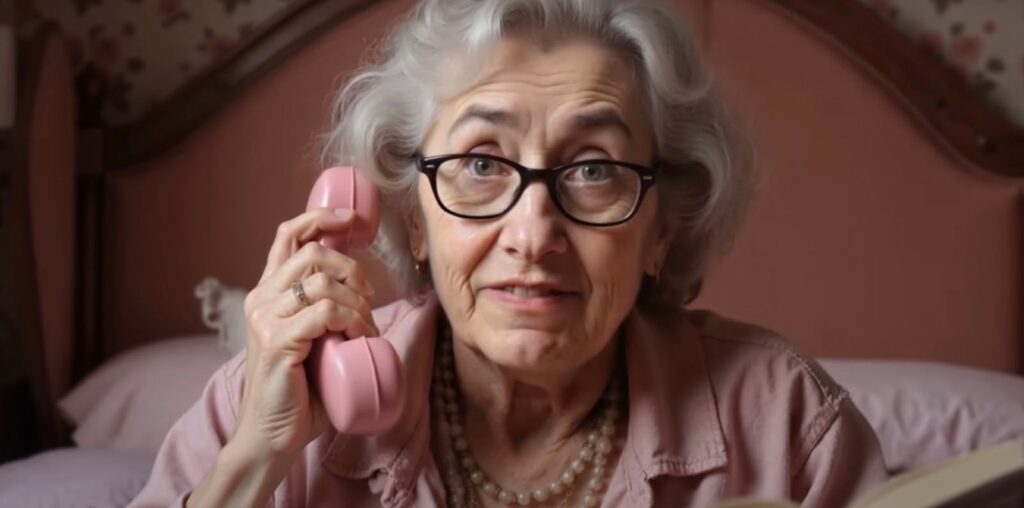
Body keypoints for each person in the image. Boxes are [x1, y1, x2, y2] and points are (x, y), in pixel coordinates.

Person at [130, 0, 888, 506]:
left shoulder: (787, 422)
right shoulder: (263, 406)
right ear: (414, 219)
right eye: (482, 164)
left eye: (593, 170)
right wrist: (255, 460)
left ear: (662, 230)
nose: (532, 234)